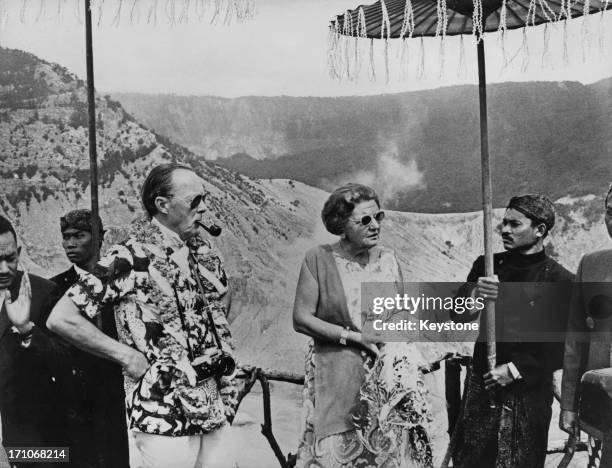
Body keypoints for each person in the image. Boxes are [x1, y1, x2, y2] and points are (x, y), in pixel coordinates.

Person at [47, 163, 238, 468]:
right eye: (194, 201)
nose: (203, 209)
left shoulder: (203, 253)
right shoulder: (128, 258)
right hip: (162, 413)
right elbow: (62, 318)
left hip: (213, 403)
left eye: (203, 199)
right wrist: (126, 355)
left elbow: (224, 292)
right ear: (162, 205)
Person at [293, 183, 432, 468]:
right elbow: (301, 318)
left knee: (385, 453)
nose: (375, 226)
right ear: (341, 224)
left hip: (382, 379)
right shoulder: (318, 259)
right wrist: (353, 337)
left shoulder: (389, 260)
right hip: (336, 373)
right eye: (364, 220)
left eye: (378, 217)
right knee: (336, 452)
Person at [451, 194, 573, 468]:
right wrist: (476, 295)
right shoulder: (487, 266)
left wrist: (514, 370)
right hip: (483, 389)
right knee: (473, 460)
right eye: (503, 223)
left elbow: (561, 346)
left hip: (528, 395)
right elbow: (457, 315)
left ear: (540, 230)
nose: (505, 230)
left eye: (515, 224)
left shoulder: (559, 279)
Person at [50, 209, 129, 468]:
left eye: (79, 236)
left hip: (117, 402)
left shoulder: (121, 287)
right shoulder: (53, 290)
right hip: (74, 405)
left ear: (99, 237)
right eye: (66, 236)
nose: (70, 243)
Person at [0, 215, 69, 467]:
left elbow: (67, 365)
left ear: (18, 251)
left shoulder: (44, 293)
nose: (4, 269)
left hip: (34, 445)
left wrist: (27, 329)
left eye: (9, 258)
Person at [560, 183, 612, 468]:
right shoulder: (591, 265)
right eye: (610, 212)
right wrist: (569, 404)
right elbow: (575, 341)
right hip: (603, 406)